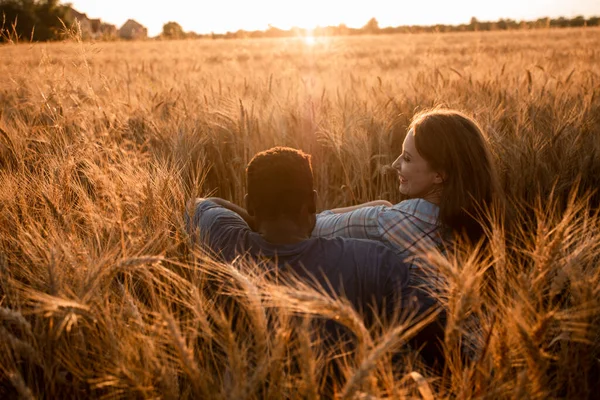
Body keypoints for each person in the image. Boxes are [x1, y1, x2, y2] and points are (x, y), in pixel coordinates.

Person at [185, 146, 444, 368]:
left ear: (250, 204)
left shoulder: (222, 239)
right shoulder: (373, 261)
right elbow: (439, 349)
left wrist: (256, 221)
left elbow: (199, 204)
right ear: (313, 202)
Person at [312, 109, 502, 285]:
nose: (395, 163)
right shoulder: (487, 222)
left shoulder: (395, 221)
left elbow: (313, 226)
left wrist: (379, 208)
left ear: (439, 174)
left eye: (407, 158)